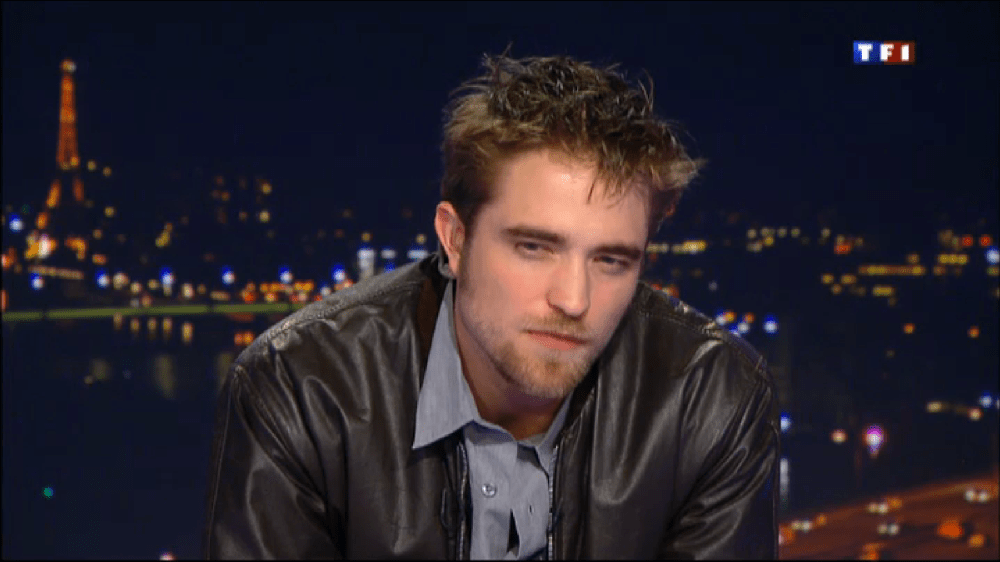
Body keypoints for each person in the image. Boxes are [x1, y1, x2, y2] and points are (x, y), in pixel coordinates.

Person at [202, 51, 779, 559]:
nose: (573, 299)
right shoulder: (299, 389)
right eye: (534, 248)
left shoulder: (713, 398)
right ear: (455, 240)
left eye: (611, 260)